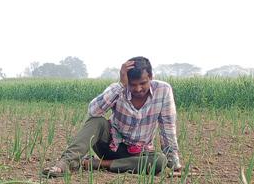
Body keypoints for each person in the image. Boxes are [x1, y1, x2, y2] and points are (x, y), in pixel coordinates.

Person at [41, 56, 182, 177]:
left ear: (151, 77)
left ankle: (94, 164)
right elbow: (93, 112)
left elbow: (167, 128)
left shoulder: (163, 91)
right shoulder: (118, 89)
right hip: (110, 146)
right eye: (133, 85)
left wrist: (174, 164)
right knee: (97, 121)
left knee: (159, 161)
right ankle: (66, 163)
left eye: (143, 83)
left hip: (137, 155)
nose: (138, 89)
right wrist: (121, 85)